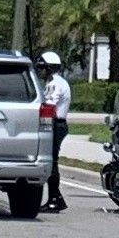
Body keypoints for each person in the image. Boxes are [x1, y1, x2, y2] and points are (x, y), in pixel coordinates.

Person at [35, 51, 70, 212]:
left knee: (52, 163)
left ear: (48, 68)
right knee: (51, 162)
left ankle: (54, 199)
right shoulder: (56, 81)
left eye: (42, 68)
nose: (39, 71)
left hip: (56, 124)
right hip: (56, 124)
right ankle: (57, 197)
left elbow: (49, 104)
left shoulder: (54, 84)